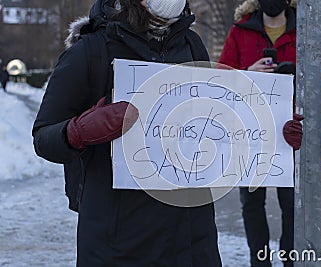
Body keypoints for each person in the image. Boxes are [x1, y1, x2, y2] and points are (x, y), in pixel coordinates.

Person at [32, 0, 222, 266]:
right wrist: (78, 132)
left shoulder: (191, 44)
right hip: (118, 242)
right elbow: (43, 137)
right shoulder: (91, 51)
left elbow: (213, 118)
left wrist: (272, 129)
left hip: (192, 238)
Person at [218, 0, 302, 266]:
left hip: (291, 132)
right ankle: (260, 261)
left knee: (291, 206)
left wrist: (296, 77)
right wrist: (248, 73)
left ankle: (290, 260)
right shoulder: (240, 31)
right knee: (252, 204)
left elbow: (318, 77)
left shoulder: (306, 30)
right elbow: (221, 78)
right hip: (251, 131)